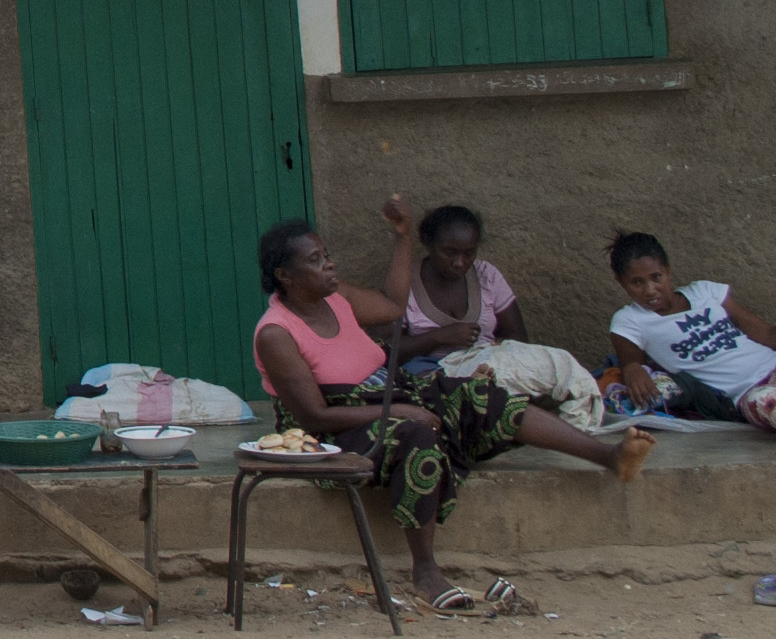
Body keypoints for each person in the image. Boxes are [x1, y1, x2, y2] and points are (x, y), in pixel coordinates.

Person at [256, 219, 651, 615]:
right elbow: (316, 415)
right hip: (332, 430)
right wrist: (401, 410)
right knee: (416, 436)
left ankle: (608, 456)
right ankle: (425, 571)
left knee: (483, 397)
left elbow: (392, 305)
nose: (330, 264)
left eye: (327, 254)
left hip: (387, 395)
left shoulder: (336, 298)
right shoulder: (276, 333)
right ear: (285, 276)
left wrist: (402, 235)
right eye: (315, 259)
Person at [378, 196, 610, 430]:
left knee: (556, 361)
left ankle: (492, 392)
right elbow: (385, 350)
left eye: (469, 253)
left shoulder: (486, 275)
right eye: (449, 252)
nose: (460, 262)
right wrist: (439, 337)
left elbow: (518, 338)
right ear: (427, 243)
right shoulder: (404, 284)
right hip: (432, 369)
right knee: (431, 385)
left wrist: (494, 351)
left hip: (488, 364)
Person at [607, 231, 776, 430]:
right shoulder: (628, 321)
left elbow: (766, 333)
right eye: (637, 282)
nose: (650, 290)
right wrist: (632, 369)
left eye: (656, 277)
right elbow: (633, 367)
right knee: (769, 405)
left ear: (667, 271)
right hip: (747, 392)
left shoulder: (705, 292)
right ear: (620, 282)